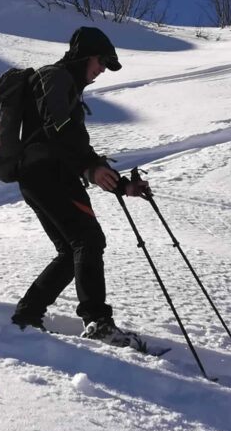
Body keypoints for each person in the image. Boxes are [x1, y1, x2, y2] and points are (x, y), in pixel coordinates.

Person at [10, 26, 150, 350]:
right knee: (88, 240)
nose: (102, 70)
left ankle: (27, 316)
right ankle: (97, 322)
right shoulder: (57, 79)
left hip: (38, 176)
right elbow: (59, 132)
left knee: (71, 248)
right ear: (85, 55)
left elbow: (71, 143)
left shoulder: (63, 84)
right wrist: (90, 167)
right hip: (49, 175)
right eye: (101, 61)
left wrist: (122, 186)